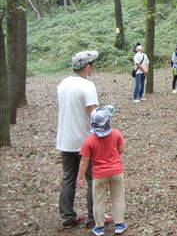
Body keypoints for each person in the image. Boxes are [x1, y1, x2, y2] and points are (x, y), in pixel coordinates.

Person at [56, 50, 111, 229]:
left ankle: (67, 217)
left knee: (68, 178)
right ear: (88, 67)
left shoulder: (63, 83)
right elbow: (94, 116)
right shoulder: (88, 86)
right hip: (85, 141)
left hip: (65, 139)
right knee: (93, 179)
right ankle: (94, 217)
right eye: (93, 65)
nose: (93, 68)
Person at [78, 106, 128, 236]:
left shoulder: (89, 141)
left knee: (99, 201)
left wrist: (81, 177)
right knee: (118, 198)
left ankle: (99, 227)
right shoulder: (117, 133)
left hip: (99, 175)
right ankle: (119, 224)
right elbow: (122, 150)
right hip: (116, 172)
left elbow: (84, 160)